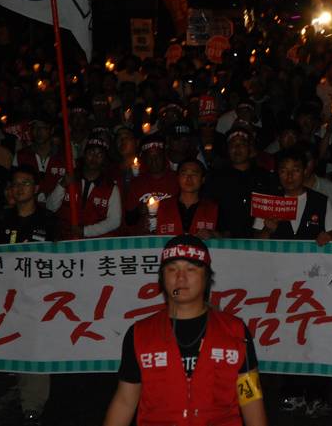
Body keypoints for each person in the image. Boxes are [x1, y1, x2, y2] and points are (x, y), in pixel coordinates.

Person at [103, 235, 268, 426]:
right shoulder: (140, 334)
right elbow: (125, 401)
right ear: (162, 278)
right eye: (172, 269)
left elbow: (250, 397)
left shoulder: (235, 331)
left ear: (206, 277)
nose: (180, 278)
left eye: (191, 269)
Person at [0, 164, 57, 426]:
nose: (19, 188)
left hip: (39, 296)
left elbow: (63, 257)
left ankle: (33, 405)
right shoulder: (1, 219)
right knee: (17, 344)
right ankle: (24, 390)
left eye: (25, 183)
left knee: (36, 347)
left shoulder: (49, 220)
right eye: (15, 184)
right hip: (8, 295)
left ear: (36, 188)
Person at [254, 148, 332, 245]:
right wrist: (267, 230)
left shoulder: (320, 201)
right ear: (278, 173)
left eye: (295, 170)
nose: (289, 176)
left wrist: (327, 237)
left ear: (305, 171)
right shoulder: (268, 202)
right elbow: (255, 242)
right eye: (283, 171)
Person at [205, 127, 277, 238]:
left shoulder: (265, 177)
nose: (237, 148)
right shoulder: (215, 178)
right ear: (227, 150)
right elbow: (207, 209)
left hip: (258, 240)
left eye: (242, 144)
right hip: (223, 241)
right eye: (233, 144)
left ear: (250, 148)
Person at [47, 137, 121, 240]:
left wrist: (85, 231)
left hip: (95, 244)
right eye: (91, 153)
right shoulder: (68, 179)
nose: (94, 158)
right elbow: (50, 207)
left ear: (104, 159)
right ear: (84, 154)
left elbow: (114, 221)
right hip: (65, 241)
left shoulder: (111, 188)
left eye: (99, 155)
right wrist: (62, 185)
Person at [154, 160, 220, 239]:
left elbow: (228, 234)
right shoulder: (161, 207)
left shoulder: (214, 208)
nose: (189, 178)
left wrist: (213, 234)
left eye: (194, 174)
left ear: (203, 179)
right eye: (184, 174)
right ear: (178, 178)